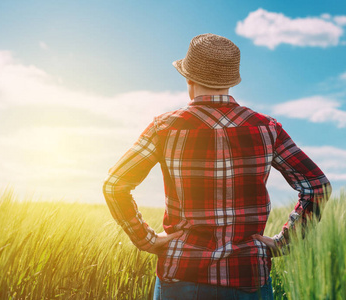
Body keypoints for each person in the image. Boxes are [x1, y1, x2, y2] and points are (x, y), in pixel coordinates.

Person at [103, 33, 331, 300]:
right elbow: (317, 186)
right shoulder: (267, 128)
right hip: (248, 276)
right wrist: (284, 243)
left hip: (181, 275)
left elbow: (115, 185)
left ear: (189, 79)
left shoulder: (164, 128)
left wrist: (147, 240)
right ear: (230, 82)